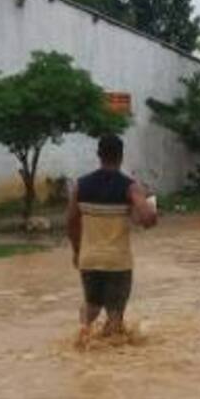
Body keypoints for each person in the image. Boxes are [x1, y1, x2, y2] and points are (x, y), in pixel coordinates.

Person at [66, 135, 159, 345]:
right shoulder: (129, 187)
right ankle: (113, 354)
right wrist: (149, 206)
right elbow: (147, 219)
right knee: (115, 319)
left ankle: (82, 337)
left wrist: (76, 251)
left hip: (89, 259)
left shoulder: (80, 186)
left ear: (99, 155)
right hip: (118, 262)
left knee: (91, 305)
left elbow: (71, 222)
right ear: (121, 156)